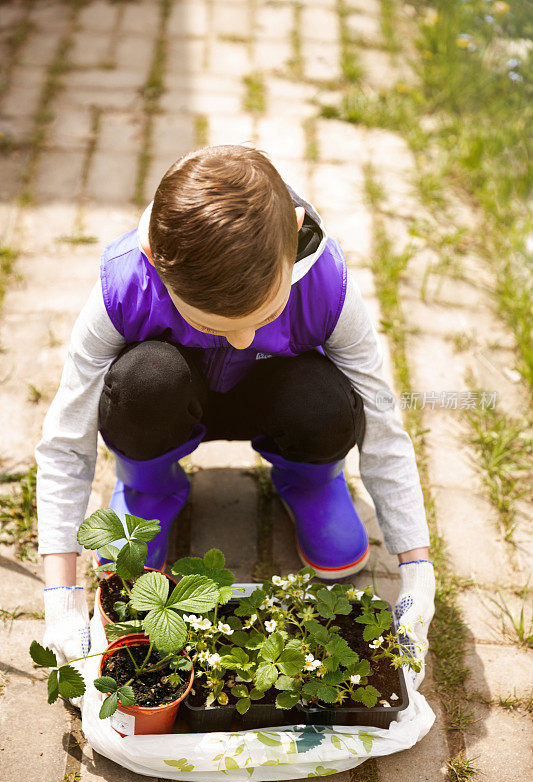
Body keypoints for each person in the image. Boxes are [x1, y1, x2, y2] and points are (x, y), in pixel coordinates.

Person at [38, 144, 435, 690]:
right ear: (154, 257)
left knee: (325, 399)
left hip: (278, 399)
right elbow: (66, 438)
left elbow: (384, 418)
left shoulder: (328, 286)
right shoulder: (123, 285)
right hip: (172, 398)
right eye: (214, 324)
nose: (245, 339)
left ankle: (309, 480)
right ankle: (150, 488)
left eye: (266, 313)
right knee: (142, 382)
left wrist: (417, 569)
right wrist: (59, 593)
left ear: (294, 235)